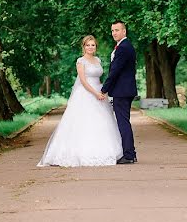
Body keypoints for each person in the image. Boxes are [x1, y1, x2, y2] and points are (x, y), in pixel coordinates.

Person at [37, 35, 123, 167]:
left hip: (99, 92)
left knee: (102, 122)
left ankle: (104, 150)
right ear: (84, 47)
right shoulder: (80, 61)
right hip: (86, 94)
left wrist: (102, 92)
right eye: (88, 45)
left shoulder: (98, 60)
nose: (90, 47)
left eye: (93, 45)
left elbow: (99, 79)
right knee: (84, 122)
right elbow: (83, 81)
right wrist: (95, 93)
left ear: (96, 47)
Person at [101, 20, 138, 164]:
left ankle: (129, 155)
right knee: (124, 121)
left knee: (123, 123)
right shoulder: (124, 46)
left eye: (117, 30)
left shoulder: (123, 47)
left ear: (124, 31)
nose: (114, 33)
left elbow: (115, 71)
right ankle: (131, 153)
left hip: (122, 91)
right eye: (112, 31)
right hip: (125, 90)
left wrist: (105, 89)